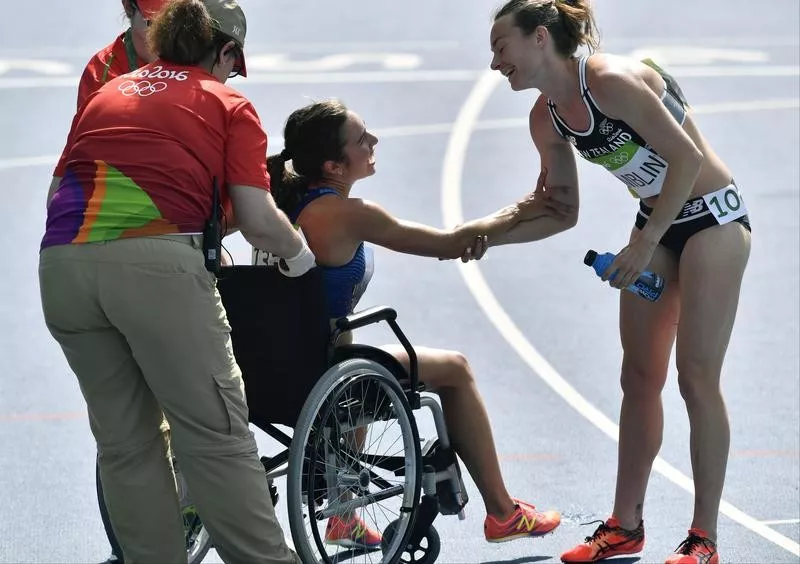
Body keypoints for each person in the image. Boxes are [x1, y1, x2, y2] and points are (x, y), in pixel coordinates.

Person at [39, 0, 312, 562]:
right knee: (216, 438)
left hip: (63, 266)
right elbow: (258, 219)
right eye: (234, 64)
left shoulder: (109, 90)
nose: (233, 76)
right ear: (227, 51)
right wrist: (300, 256)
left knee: (125, 446)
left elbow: (56, 193)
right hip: (155, 269)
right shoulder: (228, 101)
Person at [481, 1, 752, 563]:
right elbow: (560, 210)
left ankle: (705, 538)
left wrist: (645, 243)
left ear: (538, 39)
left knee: (695, 376)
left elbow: (685, 157)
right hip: (655, 226)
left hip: (711, 220)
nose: (493, 63)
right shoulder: (546, 118)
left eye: (500, 47)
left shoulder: (609, 81)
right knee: (638, 376)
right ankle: (625, 525)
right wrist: (488, 235)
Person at [253, 99, 575, 549]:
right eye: (361, 139)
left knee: (350, 346)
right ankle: (503, 512)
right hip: (317, 368)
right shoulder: (348, 215)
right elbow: (449, 243)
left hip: (265, 365)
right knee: (454, 369)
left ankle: (343, 513)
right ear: (332, 164)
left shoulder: (274, 205)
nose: (374, 141)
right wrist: (526, 207)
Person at [76, 0, 168, 110]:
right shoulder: (101, 71)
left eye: (176, 16)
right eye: (154, 19)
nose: (168, 25)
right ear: (128, 7)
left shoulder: (193, 58)